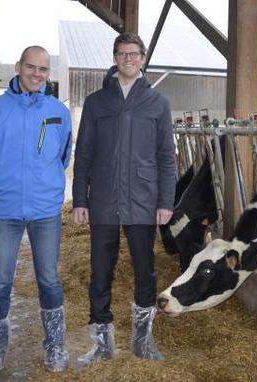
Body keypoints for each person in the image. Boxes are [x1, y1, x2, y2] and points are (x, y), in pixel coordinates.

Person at [72, 32, 176, 368]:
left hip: (144, 200)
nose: (127, 59)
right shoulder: (96, 101)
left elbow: (166, 156)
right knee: (100, 271)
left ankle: (142, 341)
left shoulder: (158, 103)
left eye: (133, 54)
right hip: (102, 197)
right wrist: (79, 199)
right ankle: (102, 344)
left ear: (143, 58)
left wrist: (166, 201)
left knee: (145, 270)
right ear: (114, 57)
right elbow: (83, 152)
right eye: (121, 53)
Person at [0, 46, 72, 381]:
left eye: (44, 69)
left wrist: (47, 186)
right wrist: (0, 184)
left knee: (49, 280)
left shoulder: (59, 111)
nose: (37, 74)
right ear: (18, 67)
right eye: (32, 67)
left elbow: (64, 155)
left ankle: (55, 346)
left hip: (45, 212)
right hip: (5, 211)